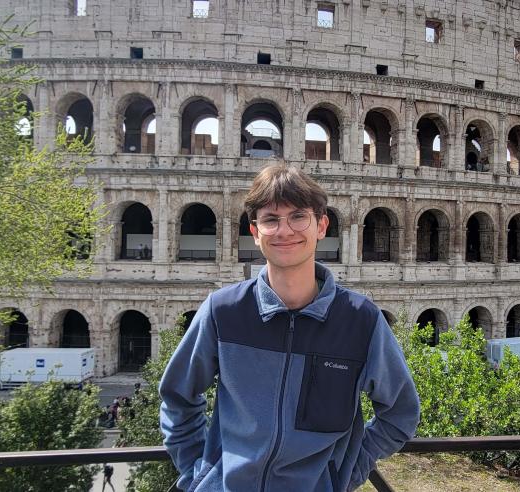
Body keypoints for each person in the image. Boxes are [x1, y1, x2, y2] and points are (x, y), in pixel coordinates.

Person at [159, 164, 421, 491]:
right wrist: (200, 474)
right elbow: (178, 396)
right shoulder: (223, 311)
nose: (284, 231)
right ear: (255, 233)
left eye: (298, 216)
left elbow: (401, 413)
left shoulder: (360, 320)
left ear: (321, 225)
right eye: (270, 220)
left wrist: (348, 472)